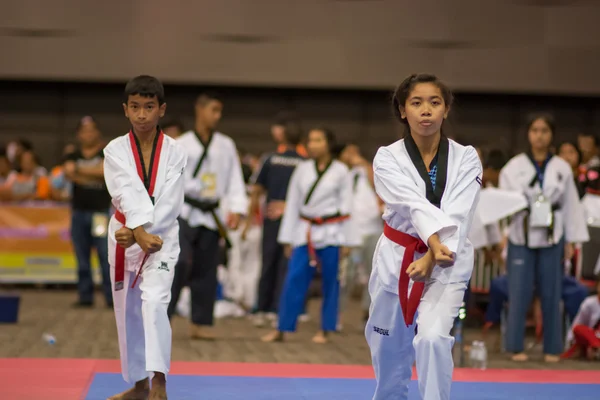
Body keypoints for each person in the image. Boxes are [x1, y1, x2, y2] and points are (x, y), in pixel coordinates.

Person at [365, 74, 482, 400]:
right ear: (403, 110)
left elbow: (459, 212)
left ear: (446, 109)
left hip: (447, 259)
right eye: (416, 103)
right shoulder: (387, 157)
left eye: (434, 102)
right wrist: (431, 244)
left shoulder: (466, 157)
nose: (426, 111)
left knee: (431, 339)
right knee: (387, 344)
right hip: (397, 258)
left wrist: (433, 253)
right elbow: (410, 202)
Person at [103, 75, 186, 400]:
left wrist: (144, 232)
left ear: (161, 109)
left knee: (155, 305)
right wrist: (137, 233)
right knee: (128, 314)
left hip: (161, 238)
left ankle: (159, 381)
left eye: (149, 107)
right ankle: (138, 384)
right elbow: (125, 192)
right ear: (125, 110)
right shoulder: (114, 150)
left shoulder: (176, 151)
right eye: (135, 107)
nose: (141, 115)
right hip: (124, 237)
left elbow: (171, 198)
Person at [499, 113, 589, 363]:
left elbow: (571, 205)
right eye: (535, 130)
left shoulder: (561, 168)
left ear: (551, 135)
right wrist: (505, 235)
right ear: (528, 134)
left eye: (544, 130)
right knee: (519, 292)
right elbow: (504, 204)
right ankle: (514, 346)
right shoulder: (514, 167)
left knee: (552, 291)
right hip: (521, 234)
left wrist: (571, 240)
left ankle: (552, 347)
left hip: (553, 234)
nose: (539, 135)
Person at [262, 128, 360, 344]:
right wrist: (287, 238)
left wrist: (348, 241)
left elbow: (348, 207)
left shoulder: (341, 171)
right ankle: (282, 327)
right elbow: (293, 204)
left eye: (318, 140)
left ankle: (325, 329)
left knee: (330, 283)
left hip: (332, 232)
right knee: (293, 280)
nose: (313, 144)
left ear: (328, 144)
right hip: (305, 231)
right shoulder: (302, 169)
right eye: (310, 140)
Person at [168, 92, 247, 340]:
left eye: (219, 111)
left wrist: (236, 208)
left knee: (207, 269)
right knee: (176, 264)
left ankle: (200, 323)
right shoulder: (181, 143)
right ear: (199, 110)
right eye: (213, 110)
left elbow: (235, 179)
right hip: (184, 211)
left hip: (212, 213)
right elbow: (171, 179)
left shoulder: (226, 144)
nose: (217, 116)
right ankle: (163, 319)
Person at [249, 115, 305, 327]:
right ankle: (281, 308)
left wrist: (249, 220)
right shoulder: (305, 163)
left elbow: (256, 189)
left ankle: (262, 308)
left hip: (272, 217)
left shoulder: (270, 158)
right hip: (294, 219)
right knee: (288, 263)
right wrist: (288, 206)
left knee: (268, 261)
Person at [63, 117, 113, 308]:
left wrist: (79, 172)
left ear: (98, 133)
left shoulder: (105, 153)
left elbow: (104, 172)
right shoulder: (72, 154)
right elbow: (68, 172)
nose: (88, 134)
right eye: (84, 131)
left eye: (92, 130)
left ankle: (110, 297)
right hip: (78, 213)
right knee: (82, 256)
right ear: (79, 134)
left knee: (104, 255)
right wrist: (91, 172)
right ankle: (85, 296)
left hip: (99, 213)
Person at [337, 143, 382, 322]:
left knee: (375, 274)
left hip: (373, 229)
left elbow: (377, 186)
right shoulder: (338, 174)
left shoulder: (366, 172)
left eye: (355, 152)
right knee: (345, 275)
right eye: (348, 152)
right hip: (350, 232)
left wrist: (363, 163)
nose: (351, 156)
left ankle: (368, 311)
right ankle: (337, 313)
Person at [562, 279, 600, 360]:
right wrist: (570, 342)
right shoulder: (589, 303)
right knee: (578, 329)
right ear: (597, 287)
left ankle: (594, 350)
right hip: (592, 336)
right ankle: (595, 348)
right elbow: (577, 323)